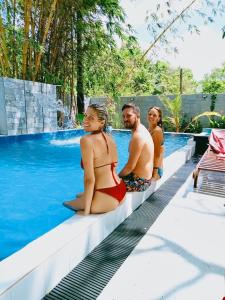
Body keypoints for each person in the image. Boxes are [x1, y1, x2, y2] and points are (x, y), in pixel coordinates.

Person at [63, 103, 126, 215]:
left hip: (106, 196)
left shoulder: (86, 140)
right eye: (85, 116)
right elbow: (114, 166)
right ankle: (90, 198)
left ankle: (87, 203)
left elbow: (89, 179)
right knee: (79, 195)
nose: (85, 120)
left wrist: (86, 211)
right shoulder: (110, 138)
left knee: (68, 203)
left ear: (101, 122)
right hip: (120, 189)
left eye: (91, 118)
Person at [119, 103, 154, 192]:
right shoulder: (142, 129)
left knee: (105, 185)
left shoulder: (138, 136)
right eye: (123, 116)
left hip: (139, 182)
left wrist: (115, 178)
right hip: (144, 179)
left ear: (137, 115)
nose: (125, 119)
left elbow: (129, 167)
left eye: (129, 116)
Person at [147, 106, 164, 180]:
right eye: (150, 114)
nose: (151, 116)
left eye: (154, 115)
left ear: (158, 118)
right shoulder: (149, 130)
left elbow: (157, 154)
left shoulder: (157, 131)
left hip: (155, 170)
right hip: (148, 167)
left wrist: (154, 175)